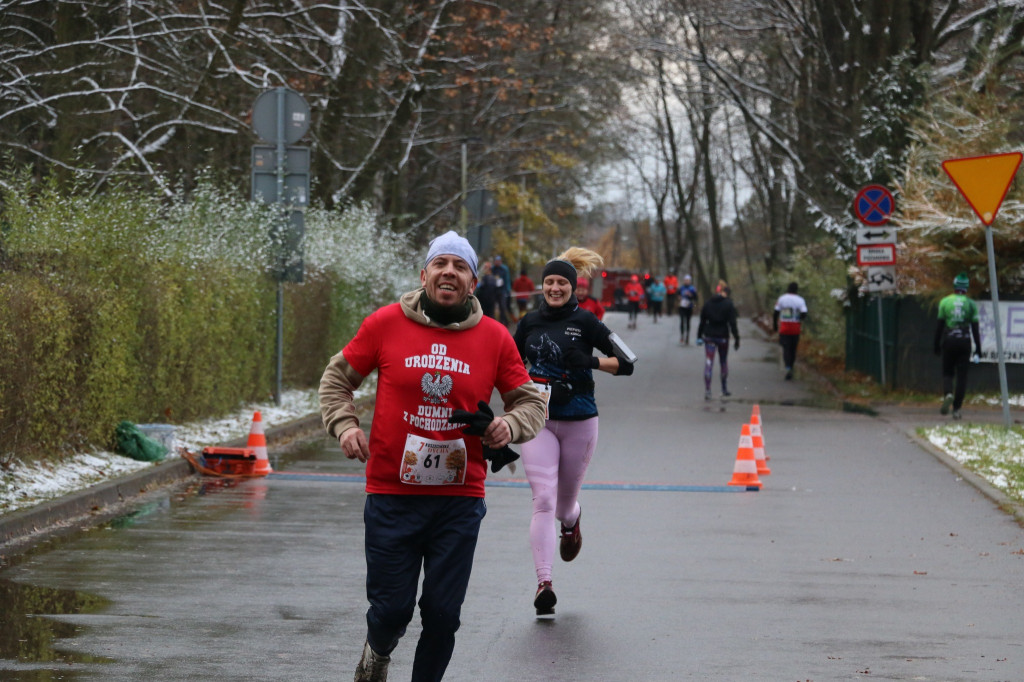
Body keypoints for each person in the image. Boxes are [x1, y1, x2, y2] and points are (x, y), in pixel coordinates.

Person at [319, 230, 546, 682]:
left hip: (459, 500)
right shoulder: (384, 324)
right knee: (391, 610)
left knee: (443, 615)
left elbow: (532, 403)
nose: (449, 272)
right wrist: (344, 425)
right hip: (391, 494)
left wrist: (509, 426)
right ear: (424, 275)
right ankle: (378, 652)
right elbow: (336, 379)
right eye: (441, 264)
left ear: (473, 282)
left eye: (460, 267)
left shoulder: (495, 338)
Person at [513, 247, 635, 616]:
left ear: (573, 288)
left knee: (563, 505)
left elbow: (628, 363)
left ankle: (572, 521)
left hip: (580, 419)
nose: (554, 288)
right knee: (543, 500)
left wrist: (593, 361)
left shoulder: (588, 323)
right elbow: (510, 366)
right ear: (542, 286)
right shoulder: (529, 322)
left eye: (561, 283)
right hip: (538, 420)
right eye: (549, 281)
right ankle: (544, 583)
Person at [934, 272, 981, 420]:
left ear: (955, 286)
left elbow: (940, 326)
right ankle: (957, 409)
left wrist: (936, 344)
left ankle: (948, 393)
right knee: (962, 377)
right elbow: (975, 328)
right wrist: (978, 349)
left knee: (947, 372)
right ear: (966, 288)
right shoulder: (971, 304)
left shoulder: (945, 302)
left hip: (949, 341)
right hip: (964, 342)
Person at [696, 280, 739, 400]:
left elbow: (702, 321)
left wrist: (699, 336)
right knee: (723, 361)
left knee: (709, 362)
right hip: (723, 336)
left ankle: (708, 390)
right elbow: (732, 323)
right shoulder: (728, 304)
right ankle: (724, 388)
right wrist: (736, 338)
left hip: (709, 335)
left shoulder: (708, 303)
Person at [773, 282, 809, 380]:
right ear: (797, 290)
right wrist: (798, 318)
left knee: (785, 348)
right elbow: (804, 313)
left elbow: (776, 312)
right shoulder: (800, 300)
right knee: (793, 349)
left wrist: (775, 326)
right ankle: (791, 367)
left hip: (784, 327)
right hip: (795, 328)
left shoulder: (782, 299)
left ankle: (787, 367)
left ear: (788, 289)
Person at [492, 254, 513, 325]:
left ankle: (504, 322)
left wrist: (508, 290)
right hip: (494, 291)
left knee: (502, 307)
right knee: (493, 306)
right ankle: (494, 322)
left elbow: (507, 279)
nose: (497, 262)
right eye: (496, 261)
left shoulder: (504, 269)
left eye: (498, 261)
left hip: (502, 291)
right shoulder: (493, 269)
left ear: (500, 261)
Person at [678, 275, 698, 344]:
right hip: (682, 306)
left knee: (688, 322)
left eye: (688, 280)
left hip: (689, 307)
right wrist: (679, 297)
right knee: (682, 321)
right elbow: (678, 295)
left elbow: (696, 298)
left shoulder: (692, 288)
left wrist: (691, 296)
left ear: (690, 281)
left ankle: (687, 337)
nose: (686, 281)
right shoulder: (681, 288)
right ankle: (682, 336)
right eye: (685, 280)